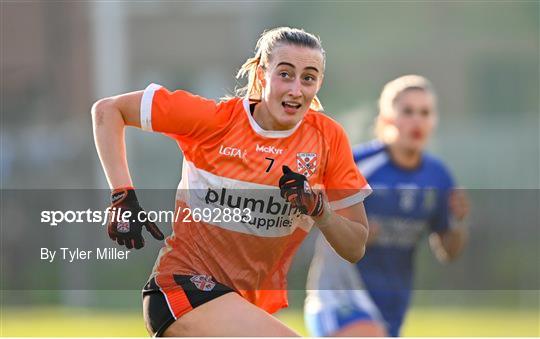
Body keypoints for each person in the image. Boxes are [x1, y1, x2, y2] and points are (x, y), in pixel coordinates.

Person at [91, 27, 372, 337]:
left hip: (238, 303)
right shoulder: (214, 120)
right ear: (263, 75)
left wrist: (320, 210)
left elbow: (355, 246)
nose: (296, 89)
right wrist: (122, 197)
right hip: (181, 289)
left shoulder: (327, 139)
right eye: (285, 74)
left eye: (308, 77)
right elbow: (108, 110)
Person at [304, 75, 470, 337]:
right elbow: (315, 216)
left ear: (433, 121)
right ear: (387, 119)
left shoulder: (438, 176)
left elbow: (448, 251)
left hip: (392, 305)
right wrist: (356, 234)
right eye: (407, 111)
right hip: (341, 295)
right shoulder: (358, 164)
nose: (417, 120)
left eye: (424, 112)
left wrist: (458, 221)